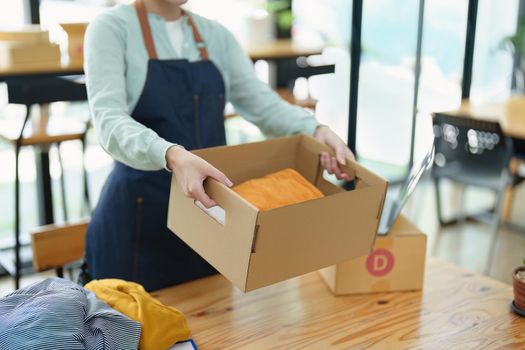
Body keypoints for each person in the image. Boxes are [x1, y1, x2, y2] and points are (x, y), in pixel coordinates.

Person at [84, 0, 355, 291]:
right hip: (140, 219)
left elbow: (260, 102)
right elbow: (109, 120)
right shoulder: (111, 28)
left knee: (214, 323)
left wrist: (314, 129)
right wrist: (171, 154)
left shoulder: (215, 35)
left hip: (210, 215)